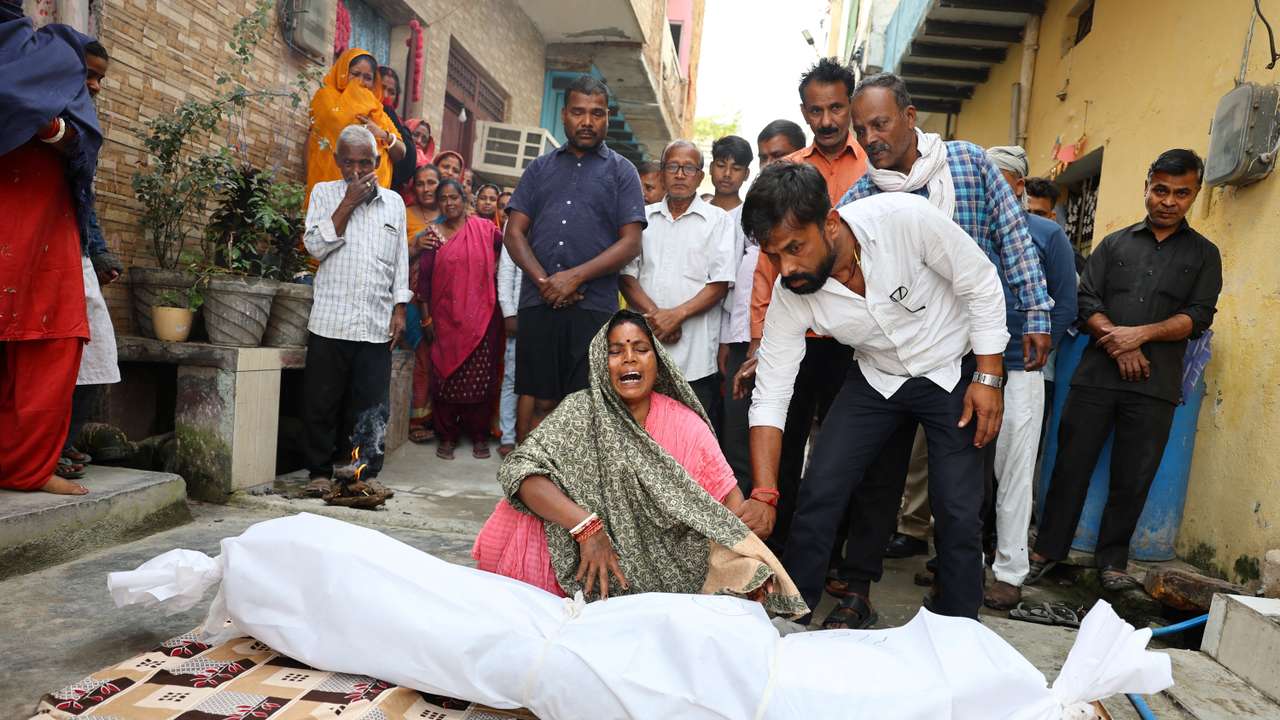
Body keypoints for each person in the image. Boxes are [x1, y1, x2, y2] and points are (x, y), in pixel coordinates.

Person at [739, 162, 1009, 627]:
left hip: (949, 369)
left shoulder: (905, 220)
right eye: (773, 255)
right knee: (821, 486)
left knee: (958, 510)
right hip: (876, 376)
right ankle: (790, 616)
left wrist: (988, 378)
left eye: (795, 248)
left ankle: (960, 631)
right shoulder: (791, 293)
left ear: (829, 222)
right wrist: (764, 493)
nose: (788, 269)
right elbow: (771, 396)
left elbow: (981, 283)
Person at [835, 72, 1052, 577]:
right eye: (861, 130)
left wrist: (1036, 312)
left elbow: (1014, 239)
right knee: (882, 478)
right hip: (894, 358)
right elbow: (827, 252)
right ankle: (859, 586)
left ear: (910, 118)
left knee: (959, 485)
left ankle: (954, 590)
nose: (871, 139)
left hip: (969, 354)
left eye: (881, 124)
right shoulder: (863, 195)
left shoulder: (971, 164)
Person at [473, 310, 806, 616]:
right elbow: (520, 470)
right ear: (602, 363)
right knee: (527, 515)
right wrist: (587, 528)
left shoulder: (684, 425)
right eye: (616, 350)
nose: (628, 358)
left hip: (664, 574)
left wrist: (748, 561)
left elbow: (729, 511)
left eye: (640, 348)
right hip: (584, 560)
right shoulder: (580, 411)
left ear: (657, 361)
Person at [1029, 149, 1222, 592]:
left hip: (1155, 385)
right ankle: (1048, 550)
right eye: (1161, 190)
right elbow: (1085, 300)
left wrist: (1139, 336)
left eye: (1181, 193)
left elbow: (1199, 315)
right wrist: (1119, 343)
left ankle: (1113, 562)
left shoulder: (1205, 255)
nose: (1168, 201)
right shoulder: (1114, 244)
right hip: (1096, 376)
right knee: (1071, 464)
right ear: (1147, 186)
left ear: (1194, 195)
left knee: (1134, 475)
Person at [734, 58, 870, 554]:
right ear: (804, 113)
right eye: (817, 110)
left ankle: (833, 553)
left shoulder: (872, 167)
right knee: (782, 442)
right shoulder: (789, 173)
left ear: (850, 105)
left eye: (837, 107)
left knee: (844, 452)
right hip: (793, 333)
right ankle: (779, 547)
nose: (828, 120)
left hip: (855, 340)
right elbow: (768, 268)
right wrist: (757, 342)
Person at [503, 75, 646, 438]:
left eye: (597, 113)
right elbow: (514, 232)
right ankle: (526, 489)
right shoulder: (539, 168)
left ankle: (571, 493)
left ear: (607, 118)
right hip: (539, 303)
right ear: (564, 115)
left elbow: (631, 243)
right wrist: (545, 282)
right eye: (579, 112)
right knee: (538, 401)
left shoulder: (622, 172)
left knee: (584, 405)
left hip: (593, 307)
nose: (587, 121)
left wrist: (575, 277)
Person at [1, 2, 103, 495]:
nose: (95, 84)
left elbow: (82, 146)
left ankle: (28, 467)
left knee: (53, 341)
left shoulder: (52, 55)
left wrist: (48, 127)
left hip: (42, 224)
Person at [981, 146, 1079, 610]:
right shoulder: (971, 229)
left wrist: (1038, 349)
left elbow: (1065, 303)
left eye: (1002, 181)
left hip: (1020, 371)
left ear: (1019, 187)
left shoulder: (1046, 234)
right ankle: (958, 560)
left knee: (1016, 471)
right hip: (970, 366)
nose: (992, 189)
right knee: (963, 470)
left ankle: (1009, 570)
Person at [301, 125, 411, 492]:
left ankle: (362, 473)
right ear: (337, 162)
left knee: (370, 404)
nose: (357, 171)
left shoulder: (394, 203)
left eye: (365, 163)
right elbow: (315, 247)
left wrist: (399, 310)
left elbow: (400, 263)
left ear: (377, 162)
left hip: (375, 321)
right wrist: (346, 202)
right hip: (331, 319)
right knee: (322, 402)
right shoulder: (323, 193)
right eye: (348, 163)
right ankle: (318, 472)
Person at [620, 140, 735, 421]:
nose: (680, 174)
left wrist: (676, 316)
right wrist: (656, 316)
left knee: (688, 436)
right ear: (661, 173)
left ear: (699, 175)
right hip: (643, 344)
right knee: (639, 427)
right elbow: (626, 276)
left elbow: (719, 284)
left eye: (688, 168)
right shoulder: (642, 218)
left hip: (695, 354)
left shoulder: (718, 221)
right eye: (673, 166)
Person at [720, 123, 805, 493]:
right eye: (765, 158)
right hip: (744, 342)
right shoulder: (750, 215)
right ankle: (739, 533)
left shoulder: (808, 217)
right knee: (736, 439)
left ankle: (776, 531)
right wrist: (731, 341)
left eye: (779, 156)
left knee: (784, 442)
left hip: (791, 344)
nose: (770, 165)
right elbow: (738, 286)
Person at [59, 38, 124, 483]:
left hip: (74, 248)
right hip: (38, 251)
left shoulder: (82, 117)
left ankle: (62, 442)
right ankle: (44, 450)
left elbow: (85, 196)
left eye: (100, 77)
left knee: (95, 349)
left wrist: (98, 251)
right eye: (89, 74)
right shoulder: (37, 113)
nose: (96, 86)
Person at [415, 179, 504, 460]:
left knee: (480, 379)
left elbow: (511, 251)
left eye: (454, 197)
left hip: (483, 317)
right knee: (445, 378)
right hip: (444, 320)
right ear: (438, 203)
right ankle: (448, 436)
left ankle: (478, 436)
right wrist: (427, 320)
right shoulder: (432, 235)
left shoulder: (485, 230)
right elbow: (425, 283)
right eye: (444, 198)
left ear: (464, 200)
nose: (449, 203)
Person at [304, 49, 404, 205]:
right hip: (329, 195)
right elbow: (311, 143)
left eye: (368, 78)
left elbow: (401, 151)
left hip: (370, 201)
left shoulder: (378, 110)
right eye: (355, 74)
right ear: (343, 72)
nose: (361, 82)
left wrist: (382, 134)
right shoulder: (326, 98)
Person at [405, 163, 443, 445]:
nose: (426, 188)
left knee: (439, 359)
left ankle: (436, 417)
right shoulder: (404, 215)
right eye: (421, 183)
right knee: (420, 357)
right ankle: (415, 418)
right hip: (409, 298)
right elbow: (391, 254)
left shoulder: (450, 214)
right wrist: (417, 246)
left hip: (443, 300)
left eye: (432, 182)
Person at [496, 236, 525, 457]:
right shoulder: (517, 219)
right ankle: (507, 436)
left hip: (550, 312)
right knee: (512, 378)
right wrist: (509, 312)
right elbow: (507, 270)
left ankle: (531, 438)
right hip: (519, 311)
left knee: (542, 383)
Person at [377, 66, 418, 192]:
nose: (385, 95)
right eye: (381, 87)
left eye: (391, 92)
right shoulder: (357, 113)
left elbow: (408, 166)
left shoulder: (400, 127)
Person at [708, 135, 751, 213]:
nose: (727, 174)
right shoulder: (696, 214)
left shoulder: (751, 217)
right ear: (711, 168)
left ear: (746, 174)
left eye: (736, 168)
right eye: (721, 165)